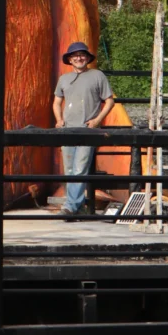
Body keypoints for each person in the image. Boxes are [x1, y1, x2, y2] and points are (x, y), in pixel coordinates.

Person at [52, 42, 116, 219]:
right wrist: (59, 120)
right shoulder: (64, 79)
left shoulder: (97, 75)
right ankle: (77, 207)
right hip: (67, 130)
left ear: (87, 58)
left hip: (88, 130)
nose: (79, 58)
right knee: (69, 169)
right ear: (70, 59)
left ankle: (70, 207)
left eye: (82, 55)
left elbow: (109, 101)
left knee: (80, 168)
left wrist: (97, 121)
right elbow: (57, 102)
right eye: (75, 55)